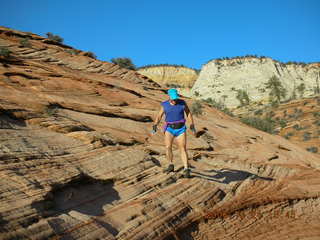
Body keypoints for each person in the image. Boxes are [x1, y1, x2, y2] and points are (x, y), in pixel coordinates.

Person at [152, 88, 196, 178]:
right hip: (169, 129)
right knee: (168, 147)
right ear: (169, 97)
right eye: (173, 98)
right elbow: (159, 115)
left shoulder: (182, 103)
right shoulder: (164, 105)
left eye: (176, 98)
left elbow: (188, 113)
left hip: (181, 129)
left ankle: (186, 169)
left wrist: (192, 124)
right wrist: (155, 124)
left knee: (182, 148)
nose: (175, 100)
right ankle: (170, 164)